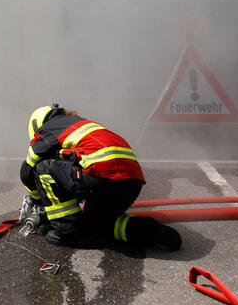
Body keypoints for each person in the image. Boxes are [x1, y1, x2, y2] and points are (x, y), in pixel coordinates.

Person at [18, 103, 181, 251]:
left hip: (101, 174)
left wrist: (38, 201)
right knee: (95, 226)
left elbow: (27, 171)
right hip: (131, 182)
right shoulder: (81, 125)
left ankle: (66, 231)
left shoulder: (49, 129)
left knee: (42, 167)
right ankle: (153, 232)